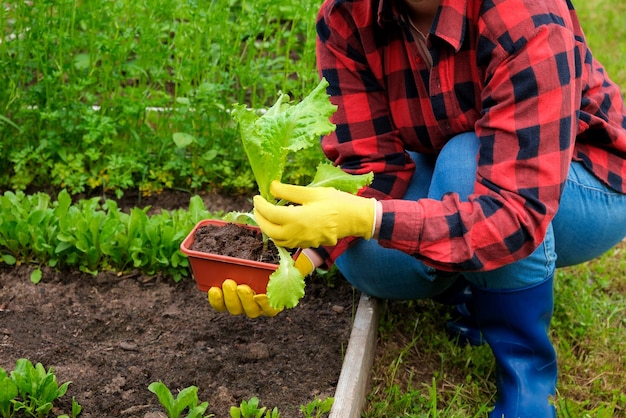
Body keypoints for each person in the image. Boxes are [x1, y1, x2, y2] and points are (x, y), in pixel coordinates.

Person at [209, 0, 626, 416]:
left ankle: (527, 380)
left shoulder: (524, 15)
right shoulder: (347, 16)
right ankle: (470, 279)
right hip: (459, 171)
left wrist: (369, 219)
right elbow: (369, 166)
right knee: (370, 264)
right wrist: (298, 260)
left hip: (582, 179)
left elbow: (514, 211)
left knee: (466, 162)